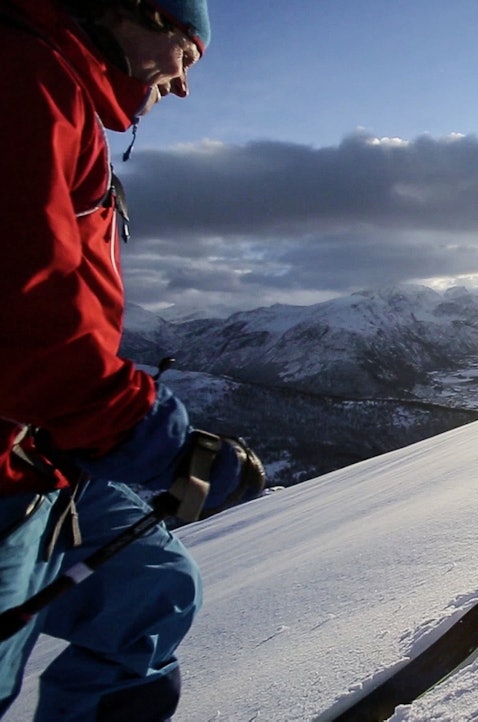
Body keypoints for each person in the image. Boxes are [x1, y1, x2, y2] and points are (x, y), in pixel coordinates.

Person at [0, 1, 264, 719]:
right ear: (134, 12)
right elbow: (24, 319)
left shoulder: (61, 96)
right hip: (12, 463)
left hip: (45, 458)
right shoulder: (25, 78)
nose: (182, 84)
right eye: (189, 52)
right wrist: (156, 443)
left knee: (150, 589)